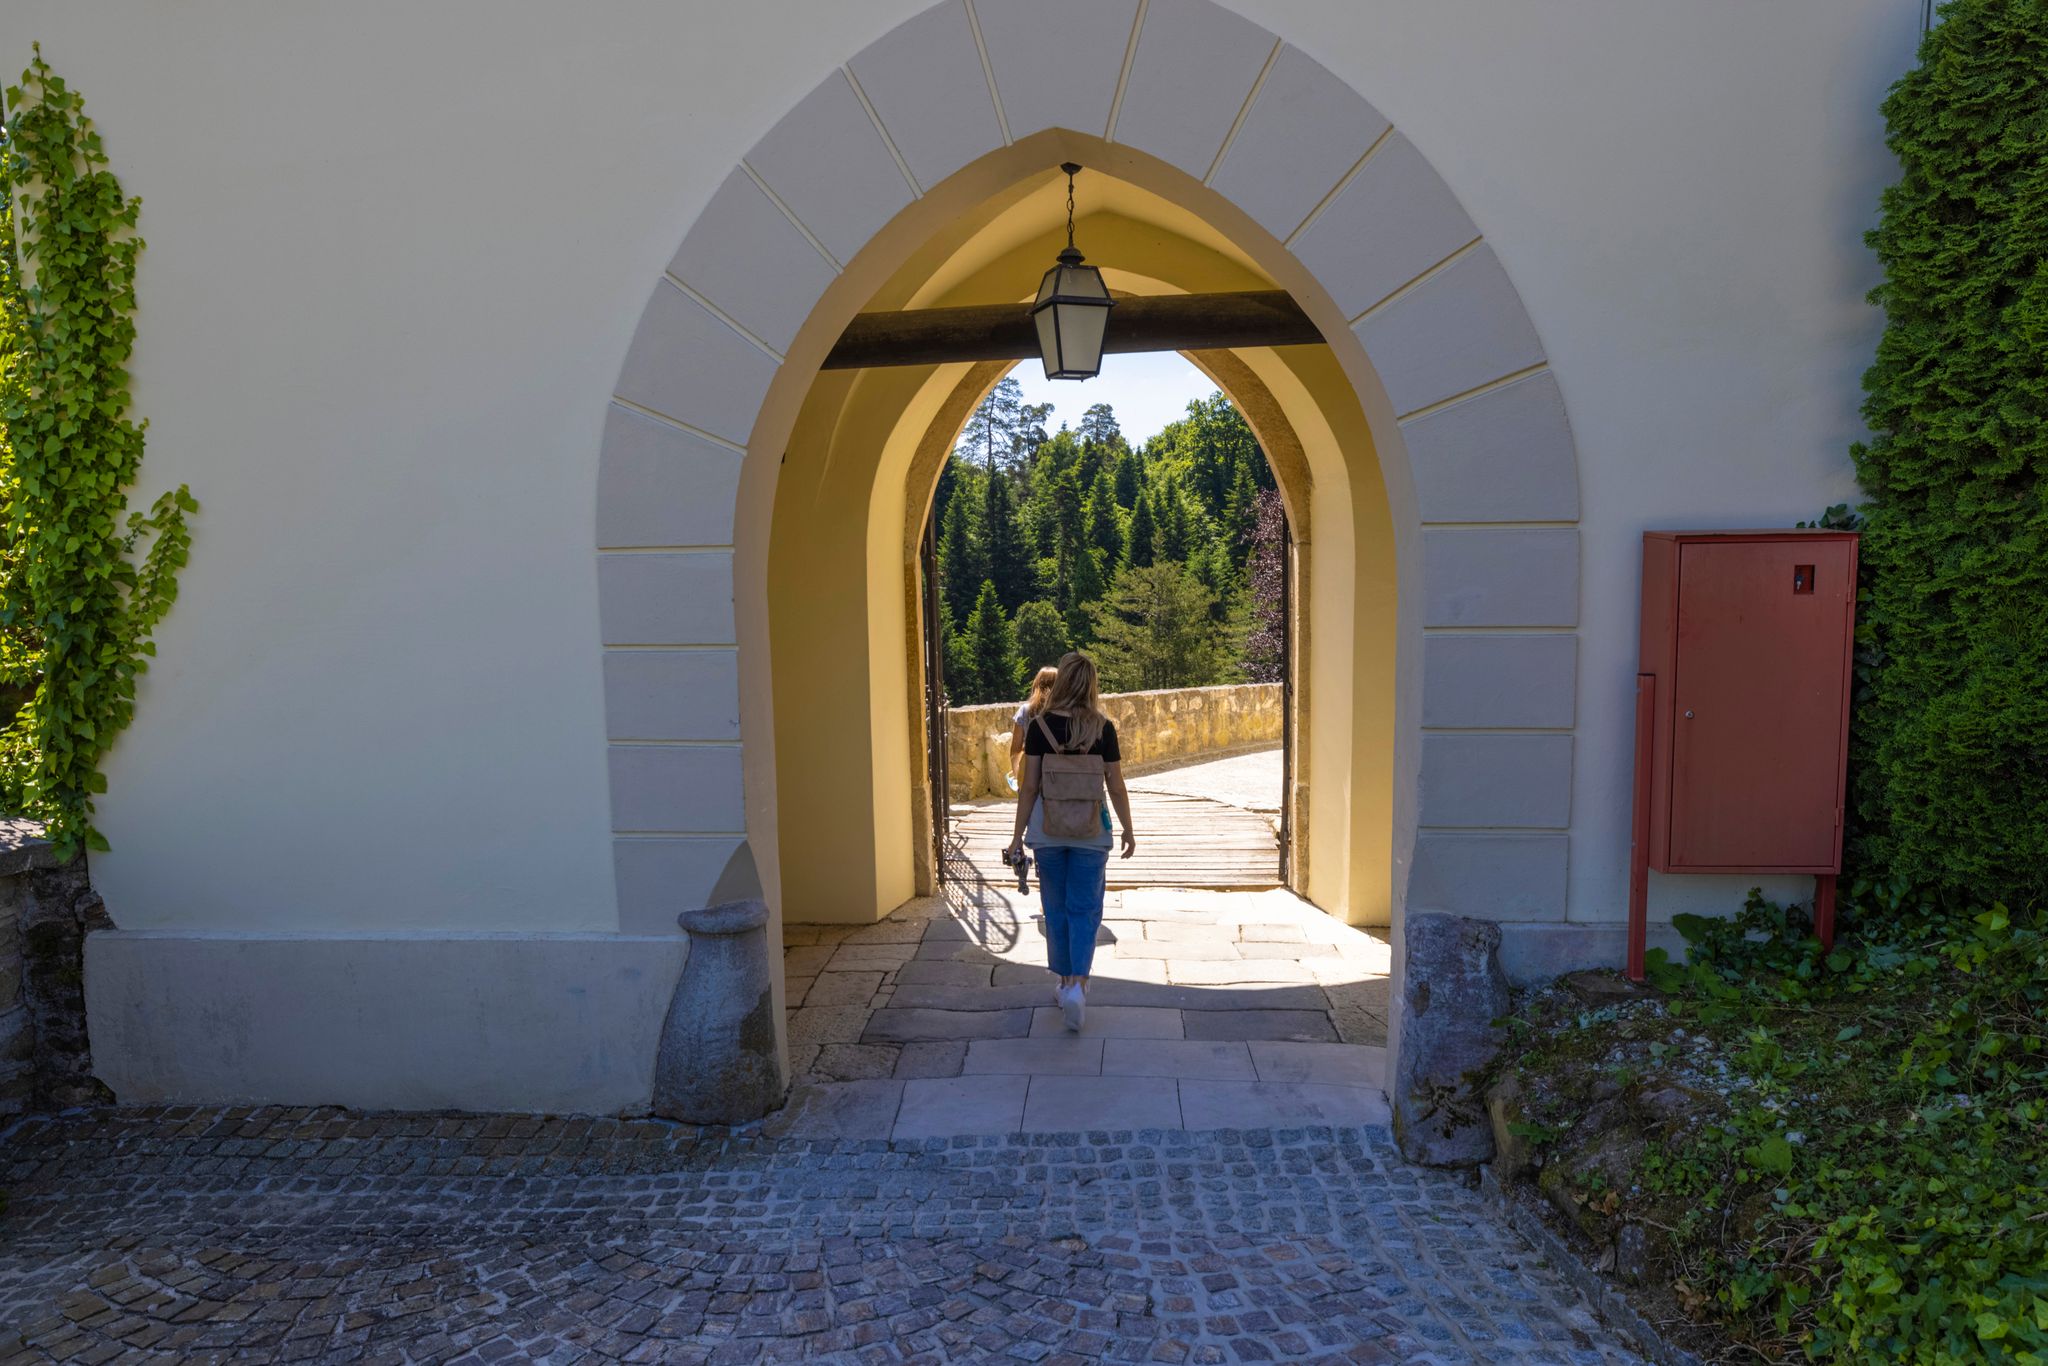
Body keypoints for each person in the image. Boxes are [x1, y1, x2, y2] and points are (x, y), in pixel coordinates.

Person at [1005, 651, 1136, 1031]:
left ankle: (1063, 983)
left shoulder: (1040, 727)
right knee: (1085, 909)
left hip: (1047, 831)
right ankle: (1080, 982)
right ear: (1091, 684)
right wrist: (1127, 828)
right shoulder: (1102, 729)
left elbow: (1029, 789)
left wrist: (1017, 837)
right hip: (1091, 833)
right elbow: (1116, 785)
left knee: (1056, 908)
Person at [1007, 666, 1060, 791]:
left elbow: (1015, 750)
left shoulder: (1025, 711)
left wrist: (1017, 776)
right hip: (1059, 774)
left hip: (1032, 774)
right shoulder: (1065, 711)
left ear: (1036, 684)